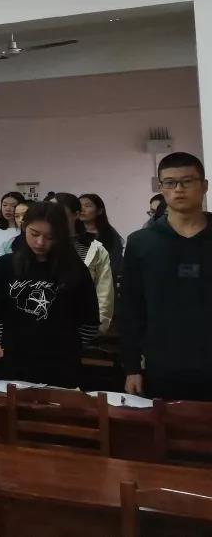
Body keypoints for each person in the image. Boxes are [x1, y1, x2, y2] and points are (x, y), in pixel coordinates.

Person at [124, 152, 212, 400]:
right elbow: (131, 307)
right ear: (161, 188)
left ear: (204, 185)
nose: (179, 189)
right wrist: (131, 367)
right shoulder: (141, 242)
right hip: (164, 364)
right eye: (170, 183)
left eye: (187, 181)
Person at [0, 202, 100, 387]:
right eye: (34, 234)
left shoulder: (75, 269)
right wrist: (9, 345)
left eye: (50, 237)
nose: (40, 242)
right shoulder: (6, 265)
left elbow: (89, 323)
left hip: (62, 366)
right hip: (16, 363)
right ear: (24, 227)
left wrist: (70, 350)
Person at [51, 193, 113, 333]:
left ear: (76, 215)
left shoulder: (94, 249)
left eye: (59, 213)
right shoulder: (40, 245)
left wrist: (99, 326)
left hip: (80, 325)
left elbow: (104, 291)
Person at [78, 193, 124, 278]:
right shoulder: (73, 233)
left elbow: (114, 264)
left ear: (99, 211)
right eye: (79, 206)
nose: (82, 209)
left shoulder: (110, 234)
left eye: (87, 206)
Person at [0, 192, 25, 284]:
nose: (8, 209)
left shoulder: (26, 231)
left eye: (13, 206)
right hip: (0, 280)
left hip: (21, 281)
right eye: (4, 205)